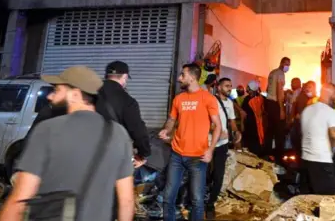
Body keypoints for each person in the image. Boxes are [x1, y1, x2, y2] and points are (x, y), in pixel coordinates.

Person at [0, 66, 135, 221]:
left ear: (75, 94)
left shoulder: (48, 129)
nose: (50, 96)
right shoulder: (118, 133)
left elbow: (19, 199)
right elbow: (127, 201)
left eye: (57, 90)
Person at [159, 63, 222, 221]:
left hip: (198, 157)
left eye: (183, 75)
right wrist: (166, 130)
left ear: (193, 78)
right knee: (168, 197)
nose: (179, 78)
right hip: (177, 154)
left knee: (197, 200)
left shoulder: (208, 98)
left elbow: (218, 126)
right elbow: (171, 120)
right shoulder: (178, 99)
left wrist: (210, 150)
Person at [300, 83, 335, 195]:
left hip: (306, 161)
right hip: (322, 162)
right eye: (334, 93)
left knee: (308, 199)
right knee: (326, 200)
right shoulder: (330, 112)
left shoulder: (307, 110)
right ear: (328, 93)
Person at [97, 61, 151, 168]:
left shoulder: (90, 94)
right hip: (113, 154)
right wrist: (143, 153)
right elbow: (137, 131)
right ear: (125, 77)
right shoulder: (127, 101)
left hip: (88, 150)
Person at [206, 78, 241, 218]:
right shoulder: (210, 100)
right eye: (226, 86)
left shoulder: (230, 103)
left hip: (223, 144)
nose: (229, 88)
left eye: (230, 86)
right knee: (205, 174)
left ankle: (210, 204)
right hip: (208, 143)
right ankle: (198, 199)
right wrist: (215, 129)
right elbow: (205, 120)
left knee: (219, 175)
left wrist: (236, 131)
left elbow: (232, 121)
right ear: (219, 87)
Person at [265, 57, 290, 161]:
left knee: (269, 131)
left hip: (269, 103)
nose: (287, 67)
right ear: (281, 63)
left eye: (289, 65)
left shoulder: (272, 72)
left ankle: (267, 154)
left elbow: (267, 89)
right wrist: (281, 109)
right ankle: (279, 157)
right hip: (276, 104)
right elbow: (279, 91)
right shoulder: (280, 74)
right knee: (280, 132)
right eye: (286, 64)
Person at [290, 81, 316, 153]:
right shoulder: (304, 98)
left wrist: (302, 116)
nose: (307, 89)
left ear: (315, 88)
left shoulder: (316, 100)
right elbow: (294, 106)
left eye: (310, 87)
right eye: (307, 87)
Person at [242, 81, 266, 156]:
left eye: (248, 87)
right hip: (260, 125)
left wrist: (242, 125)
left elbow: (243, 114)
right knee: (259, 142)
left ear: (251, 88)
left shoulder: (247, 99)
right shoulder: (262, 98)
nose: (246, 88)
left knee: (251, 146)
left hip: (250, 126)